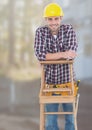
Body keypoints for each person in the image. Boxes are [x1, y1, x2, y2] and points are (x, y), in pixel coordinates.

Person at [34, 3, 78, 130]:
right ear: (45, 19)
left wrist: (49, 56)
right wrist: (64, 54)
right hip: (49, 84)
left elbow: (72, 54)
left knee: (71, 119)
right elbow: (40, 55)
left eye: (56, 18)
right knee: (50, 122)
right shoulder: (40, 32)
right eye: (50, 19)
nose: (53, 22)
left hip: (68, 83)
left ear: (61, 18)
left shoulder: (68, 29)